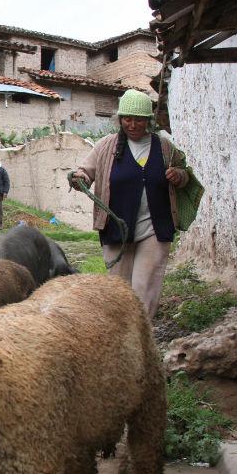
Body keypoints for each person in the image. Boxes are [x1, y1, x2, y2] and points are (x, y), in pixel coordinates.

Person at [70, 89, 189, 318]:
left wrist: (178, 175)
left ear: (148, 121)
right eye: (127, 119)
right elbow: (85, 172)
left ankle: (142, 341)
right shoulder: (106, 146)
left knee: (145, 293)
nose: (132, 125)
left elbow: (185, 175)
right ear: (120, 119)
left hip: (155, 228)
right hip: (118, 230)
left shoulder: (164, 147)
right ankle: (122, 339)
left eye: (139, 120)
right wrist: (80, 179)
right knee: (120, 292)